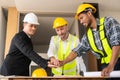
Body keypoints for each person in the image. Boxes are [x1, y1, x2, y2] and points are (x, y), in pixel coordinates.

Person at [58, 3, 120, 79]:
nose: (80, 22)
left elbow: (117, 44)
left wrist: (111, 66)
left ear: (89, 13)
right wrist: (63, 62)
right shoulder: (88, 36)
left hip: (117, 61)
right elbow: (76, 51)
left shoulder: (108, 22)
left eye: (81, 18)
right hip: (105, 65)